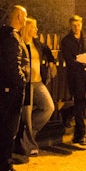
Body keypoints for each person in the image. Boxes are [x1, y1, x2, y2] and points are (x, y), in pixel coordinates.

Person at [0, 4, 30, 171]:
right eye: (25, 16)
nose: (26, 20)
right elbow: (13, 66)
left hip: (4, 87)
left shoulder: (2, 34)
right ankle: (6, 168)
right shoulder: (12, 37)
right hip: (12, 89)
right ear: (19, 17)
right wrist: (22, 81)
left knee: (1, 125)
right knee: (9, 128)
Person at [15, 17, 57, 156]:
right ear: (28, 28)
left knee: (48, 107)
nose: (36, 30)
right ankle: (27, 146)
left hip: (38, 82)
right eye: (34, 27)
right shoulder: (20, 43)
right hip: (26, 84)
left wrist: (51, 62)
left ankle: (29, 134)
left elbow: (48, 52)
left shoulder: (37, 44)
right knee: (25, 115)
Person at [60, 14, 86, 147]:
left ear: (82, 25)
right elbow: (69, 60)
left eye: (78, 25)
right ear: (70, 26)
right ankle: (81, 135)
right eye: (74, 25)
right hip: (76, 75)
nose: (76, 27)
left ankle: (68, 112)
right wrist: (83, 63)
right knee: (79, 101)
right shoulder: (66, 41)